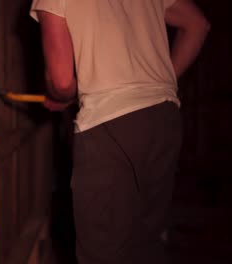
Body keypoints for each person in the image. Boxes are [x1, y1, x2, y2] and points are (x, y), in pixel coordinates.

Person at [30, 0, 210, 263]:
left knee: (103, 253)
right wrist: (156, 81)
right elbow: (198, 25)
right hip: (163, 117)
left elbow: (62, 81)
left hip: (108, 123)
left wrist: (59, 96)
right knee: (146, 243)